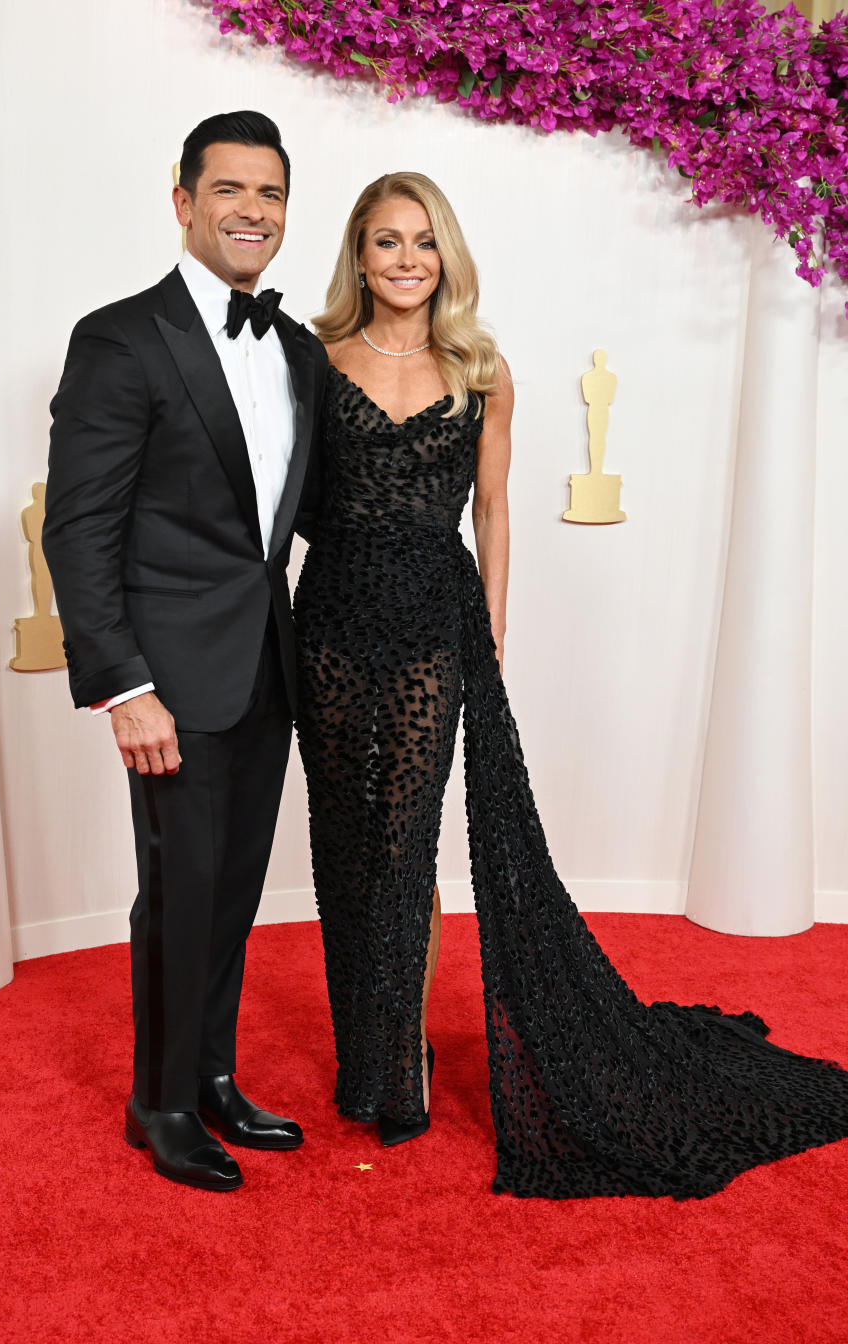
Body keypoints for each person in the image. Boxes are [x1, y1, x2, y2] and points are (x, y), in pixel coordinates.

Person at [294, 171, 848, 1198]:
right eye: (385, 242)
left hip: (432, 624)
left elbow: (494, 510)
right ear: (358, 257)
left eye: (423, 241)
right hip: (328, 618)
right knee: (344, 838)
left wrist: (492, 631)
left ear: (446, 255)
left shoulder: (483, 368)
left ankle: (398, 1063)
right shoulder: (315, 361)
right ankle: (358, 1052)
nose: (407, 260)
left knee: (407, 841)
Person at [43, 111, 328, 1192]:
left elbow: (296, 517)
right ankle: (157, 1102)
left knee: (233, 890)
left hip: (265, 669)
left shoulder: (295, 350)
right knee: (178, 891)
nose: (252, 211)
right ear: (183, 201)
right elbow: (78, 527)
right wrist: (124, 684)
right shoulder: (119, 338)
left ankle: (211, 1076)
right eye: (229, 191)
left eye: (270, 194)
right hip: (168, 680)